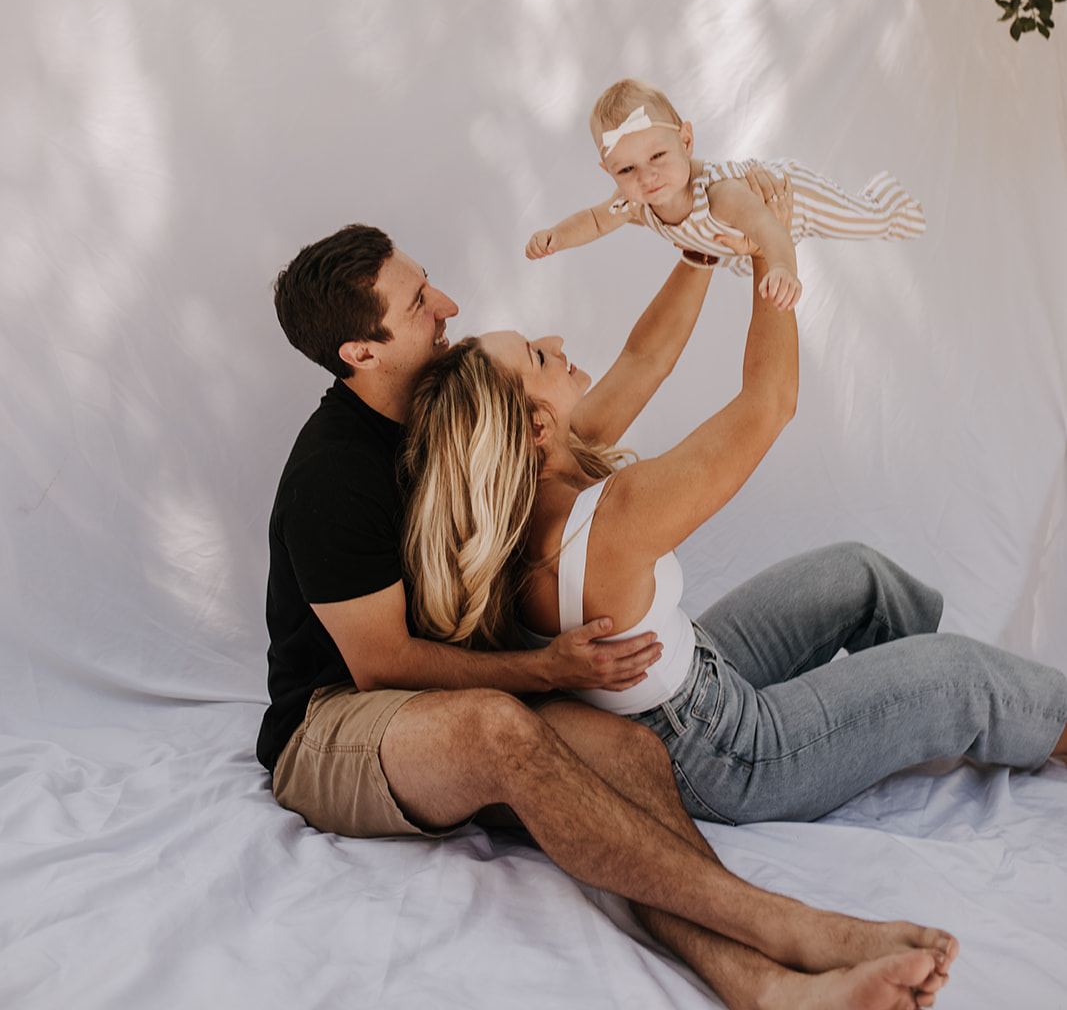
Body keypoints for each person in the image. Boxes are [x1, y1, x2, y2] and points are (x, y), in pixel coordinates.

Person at [260, 220, 958, 1010]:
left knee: (630, 754)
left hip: (446, 701)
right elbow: (380, 666)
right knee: (497, 728)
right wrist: (542, 668)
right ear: (361, 352)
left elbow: (634, 368)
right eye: (420, 301)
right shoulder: (335, 477)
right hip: (334, 723)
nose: (446, 303)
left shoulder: (460, 415)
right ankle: (789, 928)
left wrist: (698, 242)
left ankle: (761, 986)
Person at [404, 224, 1067, 831]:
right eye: (536, 357)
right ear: (534, 428)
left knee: (857, 574)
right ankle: (990, 707)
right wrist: (772, 257)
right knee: (959, 677)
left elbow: (644, 357)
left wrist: (699, 251)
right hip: (733, 758)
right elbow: (769, 403)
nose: (554, 343)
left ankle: (916, 712)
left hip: (693, 676)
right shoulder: (613, 519)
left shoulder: (521, 494)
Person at [525, 77, 925, 309]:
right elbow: (594, 221)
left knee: (859, 221)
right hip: (742, 235)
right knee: (744, 253)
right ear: (608, 172)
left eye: (658, 155)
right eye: (627, 169)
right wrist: (557, 237)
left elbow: (768, 227)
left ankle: (890, 205)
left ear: (687, 140)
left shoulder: (718, 195)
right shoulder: (631, 202)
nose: (646, 177)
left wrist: (784, 267)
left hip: (787, 198)